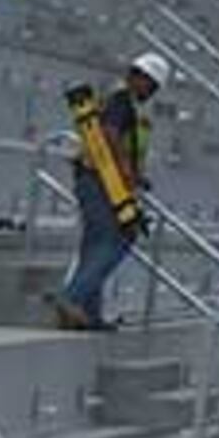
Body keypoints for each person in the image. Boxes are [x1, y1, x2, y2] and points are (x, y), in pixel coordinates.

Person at [50, 49, 167, 330]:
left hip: (98, 177)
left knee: (94, 244)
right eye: (150, 84)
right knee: (117, 240)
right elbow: (111, 133)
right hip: (99, 178)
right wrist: (126, 170)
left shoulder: (122, 101)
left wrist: (136, 176)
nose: (150, 91)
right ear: (143, 78)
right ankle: (71, 298)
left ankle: (89, 315)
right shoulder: (121, 101)